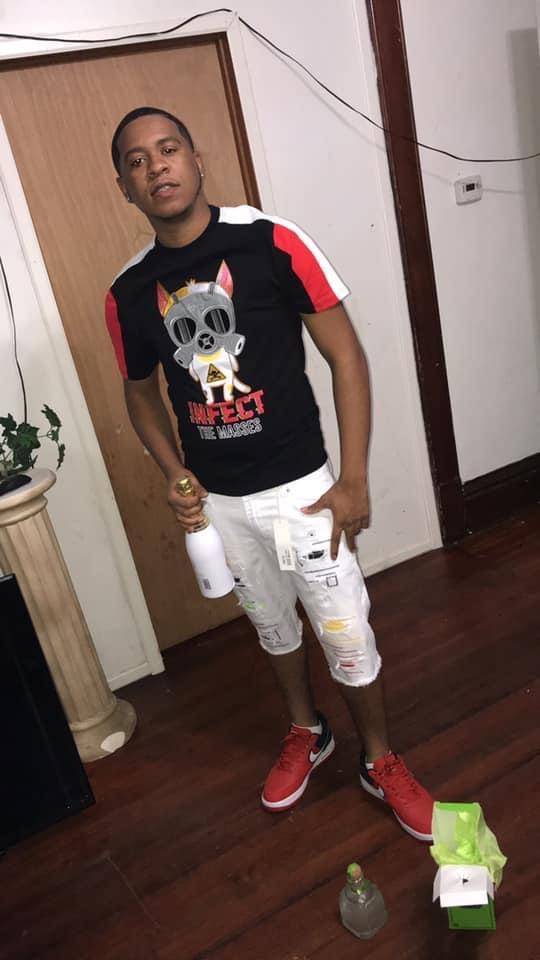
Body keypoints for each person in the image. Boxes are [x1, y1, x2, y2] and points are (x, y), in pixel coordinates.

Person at [105, 106, 434, 841]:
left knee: (345, 633)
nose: (156, 166)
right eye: (136, 160)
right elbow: (139, 393)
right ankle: (307, 731)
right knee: (271, 626)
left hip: (303, 493)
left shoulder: (270, 242)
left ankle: (380, 759)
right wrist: (173, 471)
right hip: (221, 504)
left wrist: (353, 479)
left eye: (168, 148)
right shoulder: (129, 291)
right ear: (125, 187)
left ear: (196, 159)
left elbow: (346, 356)